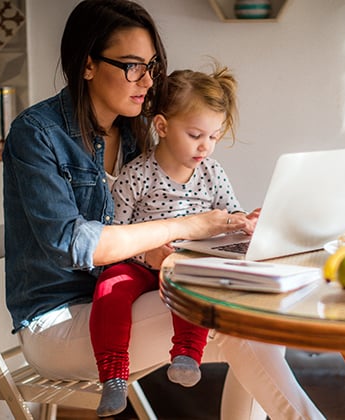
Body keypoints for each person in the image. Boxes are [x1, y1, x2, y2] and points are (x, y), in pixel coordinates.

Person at [1, 1, 325, 419]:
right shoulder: (37, 134)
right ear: (87, 65)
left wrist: (235, 230)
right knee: (232, 316)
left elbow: (161, 218)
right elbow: (76, 244)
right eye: (133, 66)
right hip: (60, 321)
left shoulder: (136, 130)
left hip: (133, 296)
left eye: (151, 65)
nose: (148, 80)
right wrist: (192, 225)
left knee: (248, 314)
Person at [90, 63, 260, 416]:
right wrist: (148, 257)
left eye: (213, 137)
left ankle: (186, 354)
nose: (206, 147)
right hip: (138, 265)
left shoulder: (212, 173)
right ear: (163, 126)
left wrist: (246, 222)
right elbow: (116, 237)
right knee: (109, 288)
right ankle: (114, 376)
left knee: (195, 285)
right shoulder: (136, 174)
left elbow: (230, 215)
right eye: (197, 135)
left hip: (185, 265)